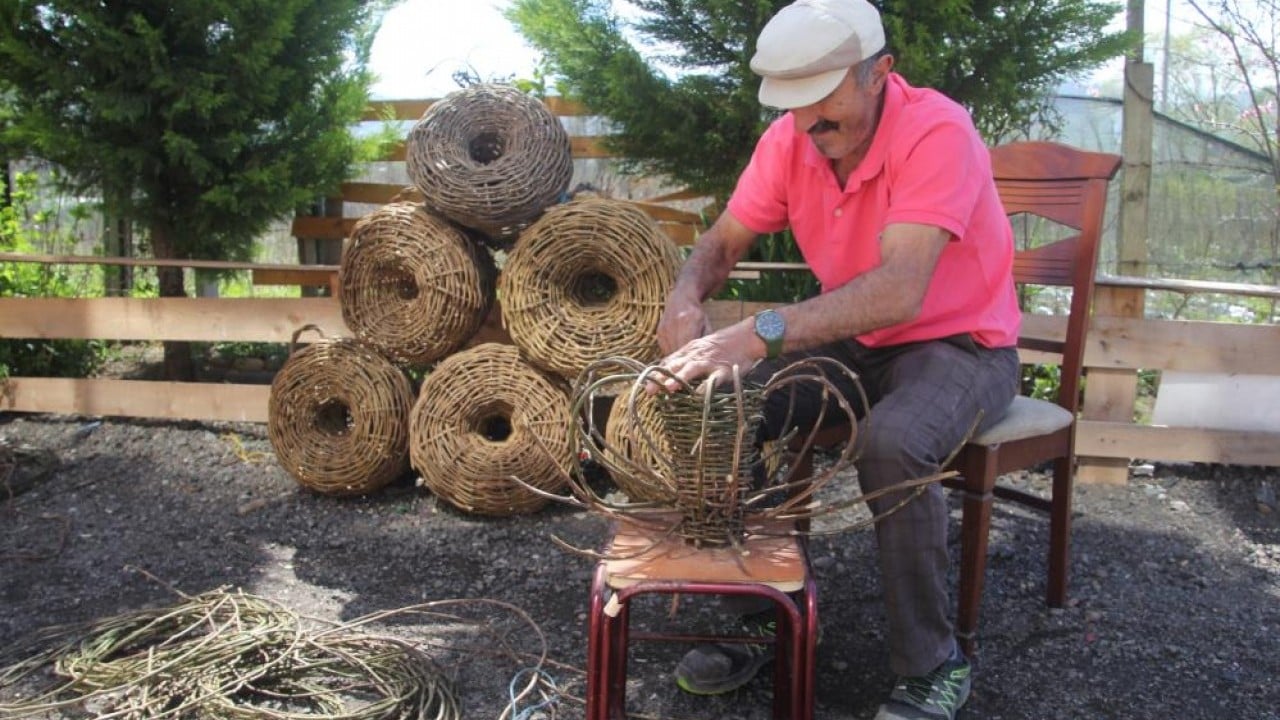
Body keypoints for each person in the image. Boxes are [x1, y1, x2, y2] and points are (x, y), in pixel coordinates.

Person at [650, 0, 1023, 718]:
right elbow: (722, 241)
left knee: (892, 442)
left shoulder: (938, 130)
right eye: (793, 111)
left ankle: (933, 667)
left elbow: (900, 291)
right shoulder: (791, 139)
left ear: (880, 73)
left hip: (962, 345)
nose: (808, 130)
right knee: (733, 403)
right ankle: (765, 607)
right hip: (857, 343)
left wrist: (759, 330)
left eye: (824, 110)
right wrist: (685, 293)